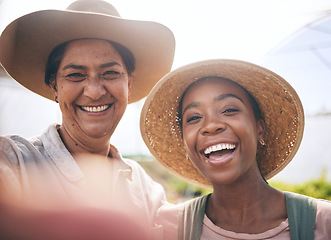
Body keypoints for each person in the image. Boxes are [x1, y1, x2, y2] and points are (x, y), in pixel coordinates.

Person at [0, 0, 175, 236]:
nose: (94, 91)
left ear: (129, 84)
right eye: (75, 75)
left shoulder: (146, 189)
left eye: (110, 73)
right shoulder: (15, 161)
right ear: (54, 86)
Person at [140, 59, 331, 239]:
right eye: (194, 118)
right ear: (184, 142)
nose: (211, 125)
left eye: (229, 110)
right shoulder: (166, 228)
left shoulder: (323, 223)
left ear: (259, 129)